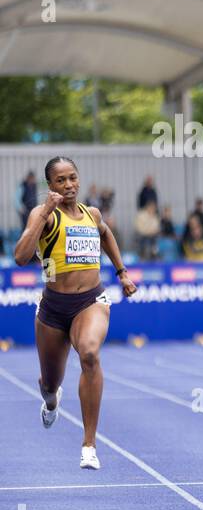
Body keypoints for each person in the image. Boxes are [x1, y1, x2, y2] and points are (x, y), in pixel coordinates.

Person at [12, 157, 137, 469]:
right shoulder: (43, 215)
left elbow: (106, 233)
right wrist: (43, 215)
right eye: (60, 181)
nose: (68, 185)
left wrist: (121, 272)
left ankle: (89, 445)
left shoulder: (91, 214)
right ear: (50, 186)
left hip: (90, 302)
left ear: (78, 180)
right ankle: (52, 400)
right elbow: (21, 256)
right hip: (53, 309)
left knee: (90, 355)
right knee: (49, 382)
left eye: (72, 178)